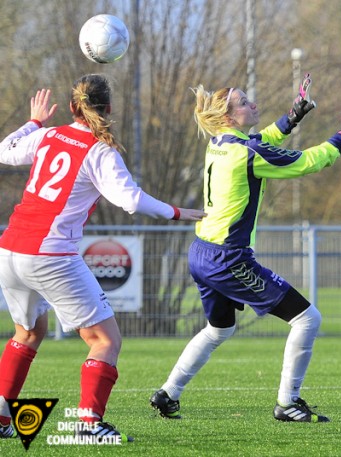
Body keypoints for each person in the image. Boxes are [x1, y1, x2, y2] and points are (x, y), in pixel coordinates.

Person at [149, 74, 341, 423]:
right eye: (244, 102)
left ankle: (168, 393)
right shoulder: (246, 153)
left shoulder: (220, 142)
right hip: (228, 258)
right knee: (307, 319)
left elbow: (260, 140)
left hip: (201, 252)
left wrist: (293, 116)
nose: (252, 104)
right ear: (228, 117)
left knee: (219, 329)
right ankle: (288, 402)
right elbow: (308, 162)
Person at [0, 75, 207, 441]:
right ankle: (88, 425)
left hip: (11, 248)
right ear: (109, 108)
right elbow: (131, 200)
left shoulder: (48, 135)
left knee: (29, 332)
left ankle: (1, 418)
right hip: (49, 253)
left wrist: (33, 122)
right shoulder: (99, 149)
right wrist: (177, 212)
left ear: (71, 107)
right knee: (105, 340)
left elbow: (5, 150)